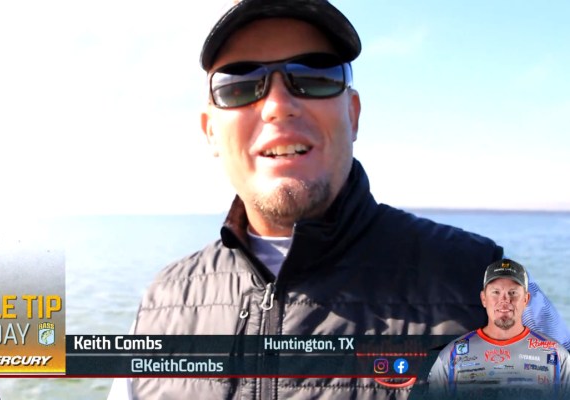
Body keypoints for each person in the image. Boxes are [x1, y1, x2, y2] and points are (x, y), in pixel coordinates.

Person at [109, 0, 570, 399]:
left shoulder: (480, 284)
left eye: (314, 75)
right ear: (210, 131)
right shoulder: (161, 305)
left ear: (353, 113)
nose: (277, 105)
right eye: (239, 85)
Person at [427, 259, 569, 399]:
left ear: (526, 299)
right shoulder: (451, 355)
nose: (504, 300)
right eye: (496, 292)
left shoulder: (557, 355)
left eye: (513, 292)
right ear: (483, 298)